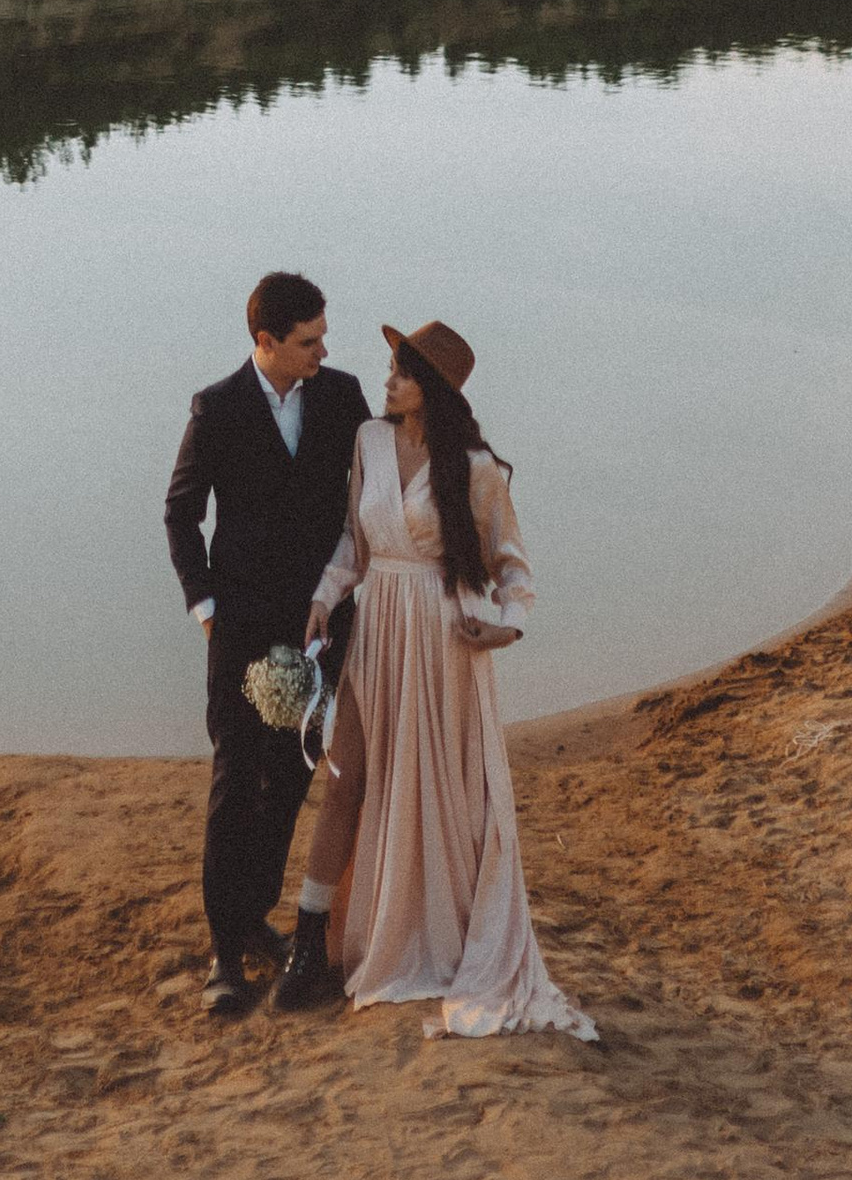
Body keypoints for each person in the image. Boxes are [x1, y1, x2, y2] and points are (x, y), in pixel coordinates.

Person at [270, 315, 593, 1041]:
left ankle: (437, 933)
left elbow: (512, 565)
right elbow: (355, 542)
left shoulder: (475, 469)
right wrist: (324, 598)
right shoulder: (370, 441)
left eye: (403, 371)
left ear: (434, 391)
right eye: (392, 366)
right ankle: (309, 944)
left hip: (444, 641)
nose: (387, 379)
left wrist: (506, 625)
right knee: (345, 778)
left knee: (442, 788)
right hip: (377, 626)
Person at [163, 272, 372, 1019]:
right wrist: (207, 608)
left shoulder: (344, 398)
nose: (323, 350)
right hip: (241, 630)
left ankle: (254, 920)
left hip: (316, 629)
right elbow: (181, 514)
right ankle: (225, 952)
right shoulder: (216, 409)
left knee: (287, 776)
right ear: (266, 342)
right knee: (233, 778)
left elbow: (369, 495)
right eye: (308, 340)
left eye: (322, 336)